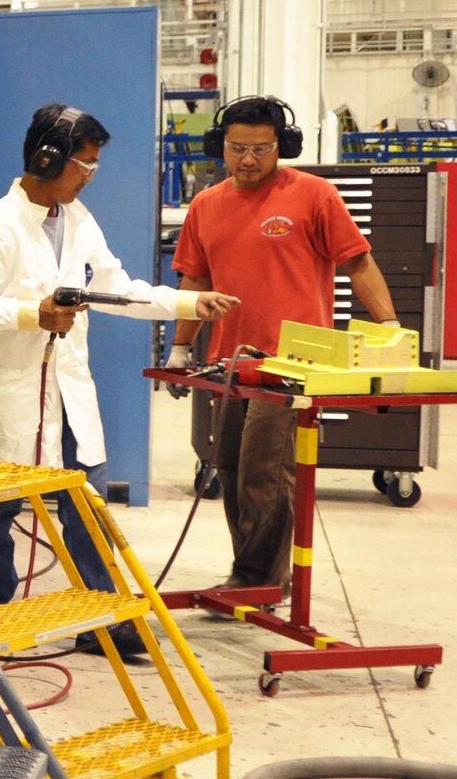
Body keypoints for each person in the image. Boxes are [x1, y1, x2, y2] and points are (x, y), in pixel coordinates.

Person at [0, 105, 238, 631]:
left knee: (88, 505)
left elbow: (116, 289)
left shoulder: (78, 222)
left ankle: (106, 618)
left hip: (68, 392)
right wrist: (30, 313)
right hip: (5, 398)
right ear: (47, 159)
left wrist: (189, 304)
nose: (90, 178)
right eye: (85, 166)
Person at [170, 95, 400, 591]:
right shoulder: (206, 205)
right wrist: (181, 349)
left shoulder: (314, 195)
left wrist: (389, 326)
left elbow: (357, 263)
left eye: (261, 149)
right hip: (228, 362)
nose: (248, 160)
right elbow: (194, 279)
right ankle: (254, 575)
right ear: (220, 147)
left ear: (283, 147)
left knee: (265, 474)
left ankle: (258, 581)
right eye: (237, 149)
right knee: (229, 469)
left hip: (292, 363)